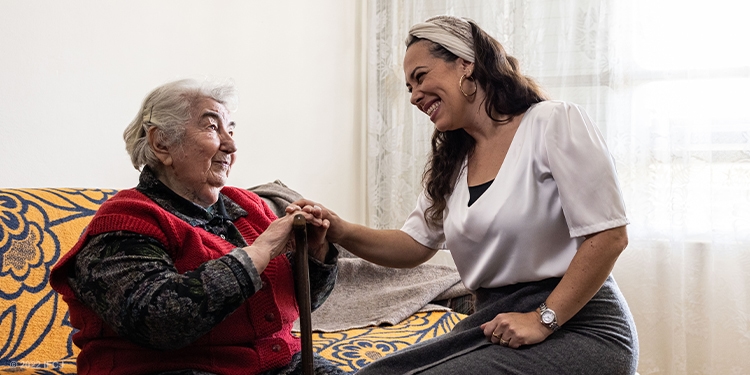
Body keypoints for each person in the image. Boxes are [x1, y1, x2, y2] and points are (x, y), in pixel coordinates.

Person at [291, 15, 638, 374]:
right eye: (409, 87)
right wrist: (339, 228)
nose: (413, 96)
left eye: (420, 77)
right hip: (494, 321)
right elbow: (413, 245)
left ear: (465, 64)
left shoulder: (553, 123)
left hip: (578, 326)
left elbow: (610, 235)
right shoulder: (453, 162)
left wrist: (542, 319)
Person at [50, 79, 348, 375]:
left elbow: (301, 303)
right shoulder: (124, 222)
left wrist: (313, 255)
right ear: (161, 143)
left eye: (230, 130)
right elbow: (159, 321)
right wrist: (259, 252)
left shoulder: (248, 206)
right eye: (212, 127)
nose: (231, 145)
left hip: (279, 365)